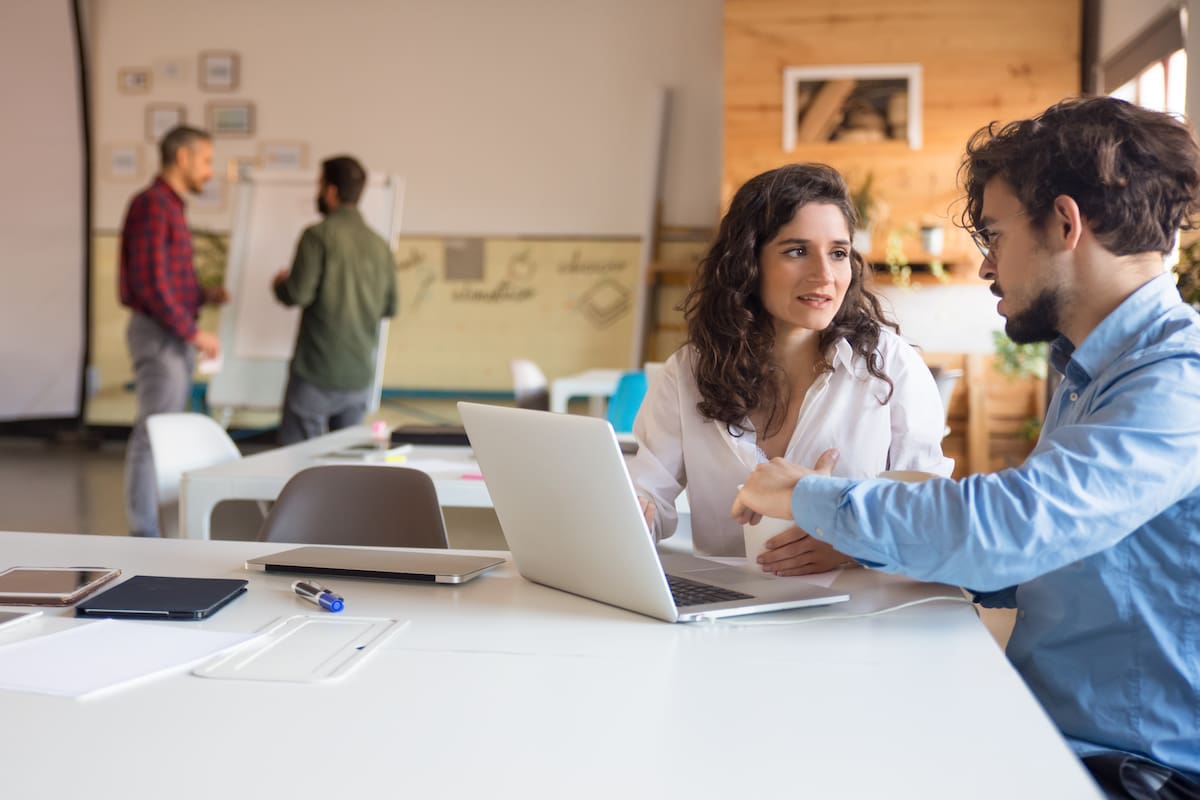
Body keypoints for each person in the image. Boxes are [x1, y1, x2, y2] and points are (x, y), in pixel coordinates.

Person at [733, 97, 1200, 796]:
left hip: (1134, 773)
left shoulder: (1177, 383)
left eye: (995, 234)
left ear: (1064, 224)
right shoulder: (1098, 368)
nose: (986, 264)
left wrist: (805, 494)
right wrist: (880, 531)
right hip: (1052, 732)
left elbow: (1010, 529)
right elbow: (1060, 557)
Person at [629, 162, 952, 573]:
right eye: (796, 251)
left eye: (838, 253)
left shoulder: (891, 366)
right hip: (725, 617)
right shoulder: (689, 372)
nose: (824, 275)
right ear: (748, 261)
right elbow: (647, 495)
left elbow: (933, 514)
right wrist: (633, 514)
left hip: (860, 618)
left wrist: (854, 543)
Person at [119, 125, 228, 538]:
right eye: (206, 161)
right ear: (182, 158)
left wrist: (205, 294)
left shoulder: (170, 206)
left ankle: (154, 527)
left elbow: (169, 280)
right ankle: (144, 532)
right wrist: (193, 332)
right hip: (161, 334)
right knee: (154, 434)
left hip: (172, 333)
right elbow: (151, 285)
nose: (209, 171)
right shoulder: (151, 206)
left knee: (162, 432)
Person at [271, 155, 397, 444]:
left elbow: (298, 293)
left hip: (317, 370)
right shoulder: (380, 246)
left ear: (330, 191)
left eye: (319, 184)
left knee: (297, 463)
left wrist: (280, 284)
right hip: (358, 373)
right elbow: (391, 306)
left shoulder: (317, 236)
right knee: (346, 466)